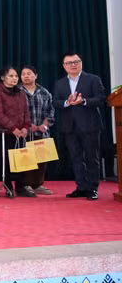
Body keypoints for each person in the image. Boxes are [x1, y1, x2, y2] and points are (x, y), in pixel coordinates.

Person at [53, 51, 107, 201]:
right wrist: (67, 102)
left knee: (92, 157)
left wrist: (83, 101)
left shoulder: (93, 79)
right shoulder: (60, 83)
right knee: (76, 158)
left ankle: (93, 188)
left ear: (81, 63)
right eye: (69, 63)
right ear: (64, 66)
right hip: (69, 126)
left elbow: (101, 99)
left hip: (90, 125)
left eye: (76, 62)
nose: (73, 65)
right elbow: (55, 102)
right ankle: (82, 187)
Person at [0, 66, 33, 198]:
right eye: (11, 76)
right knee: (6, 161)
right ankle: (8, 186)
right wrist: (13, 128)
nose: (14, 79)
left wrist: (26, 127)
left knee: (22, 160)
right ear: (3, 77)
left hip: (21, 132)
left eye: (16, 76)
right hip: (4, 132)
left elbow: (26, 112)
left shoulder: (21, 92)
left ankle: (21, 187)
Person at [20, 65, 55, 196]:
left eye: (29, 73)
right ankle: (25, 185)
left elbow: (51, 111)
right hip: (25, 132)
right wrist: (28, 125)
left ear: (36, 76)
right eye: (23, 74)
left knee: (41, 160)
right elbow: (16, 112)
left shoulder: (44, 92)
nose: (26, 76)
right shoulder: (17, 91)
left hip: (42, 132)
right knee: (26, 159)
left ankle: (38, 185)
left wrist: (44, 125)